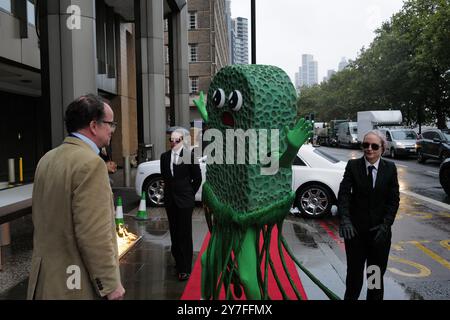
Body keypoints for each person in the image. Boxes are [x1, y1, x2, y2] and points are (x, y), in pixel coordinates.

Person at [27, 94, 125, 300]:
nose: (112, 130)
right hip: (74, 283)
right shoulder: (91, 164)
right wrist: (110, 284)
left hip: (44, 281)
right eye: (110, 124)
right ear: (93, 126)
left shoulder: (47, 159)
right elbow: (94, 234)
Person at [337, 130, 400, 300]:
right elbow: (343, 195)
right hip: (355, 235)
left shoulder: (390, 168)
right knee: (354, 280)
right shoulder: (353, 166)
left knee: (374, 281)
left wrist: (386, 225)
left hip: (378, 236)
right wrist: (345, 220)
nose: (369, 149)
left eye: (374, 146)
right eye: (365, 145)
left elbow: (393, 201)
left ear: (382, 148)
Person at [160, 129, 202, 281]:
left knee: (184, 233)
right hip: (170, 201)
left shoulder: (189, 156)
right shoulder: (164, 157)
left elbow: (197, 178)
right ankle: (178, 261)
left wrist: (190, 194)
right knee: (174, 232)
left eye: (177, 140)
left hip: (185, 201)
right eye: (171, 139)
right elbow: (165, 177)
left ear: (182, 140)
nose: (173, 142)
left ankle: (185, 268)